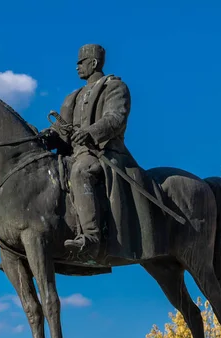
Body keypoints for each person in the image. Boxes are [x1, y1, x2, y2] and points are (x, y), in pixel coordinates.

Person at [45, 44, 134, 258]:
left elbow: (115, 119)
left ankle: (92, 238)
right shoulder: (73, 96)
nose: (77, 67)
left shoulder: (114, 87)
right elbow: (61, 129)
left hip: (102, 152)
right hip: (75, 153)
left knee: (80, 172)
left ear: (93, 63)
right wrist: (46, 135)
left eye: (80, 62)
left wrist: (90, 133)